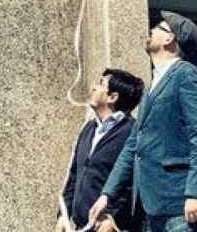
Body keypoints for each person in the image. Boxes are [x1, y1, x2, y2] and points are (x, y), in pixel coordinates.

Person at [90, 11, 197, 232]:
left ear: (170, 39)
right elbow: (133, 146)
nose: (150, 30)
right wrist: (107, 194)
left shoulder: (187, 75)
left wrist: (196, 191)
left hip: (179, 206)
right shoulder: (153, 86)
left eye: (158, 27)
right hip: (151, 207)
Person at [60, 69, 145, 232]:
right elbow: (74, 175)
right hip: (82, 227)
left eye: (100, 84)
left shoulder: (131, 133)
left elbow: (133, 183)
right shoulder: (89, 129)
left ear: (113, 97)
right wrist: (63, 216)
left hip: (109, 227)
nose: (93, 87)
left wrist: (114, 217)